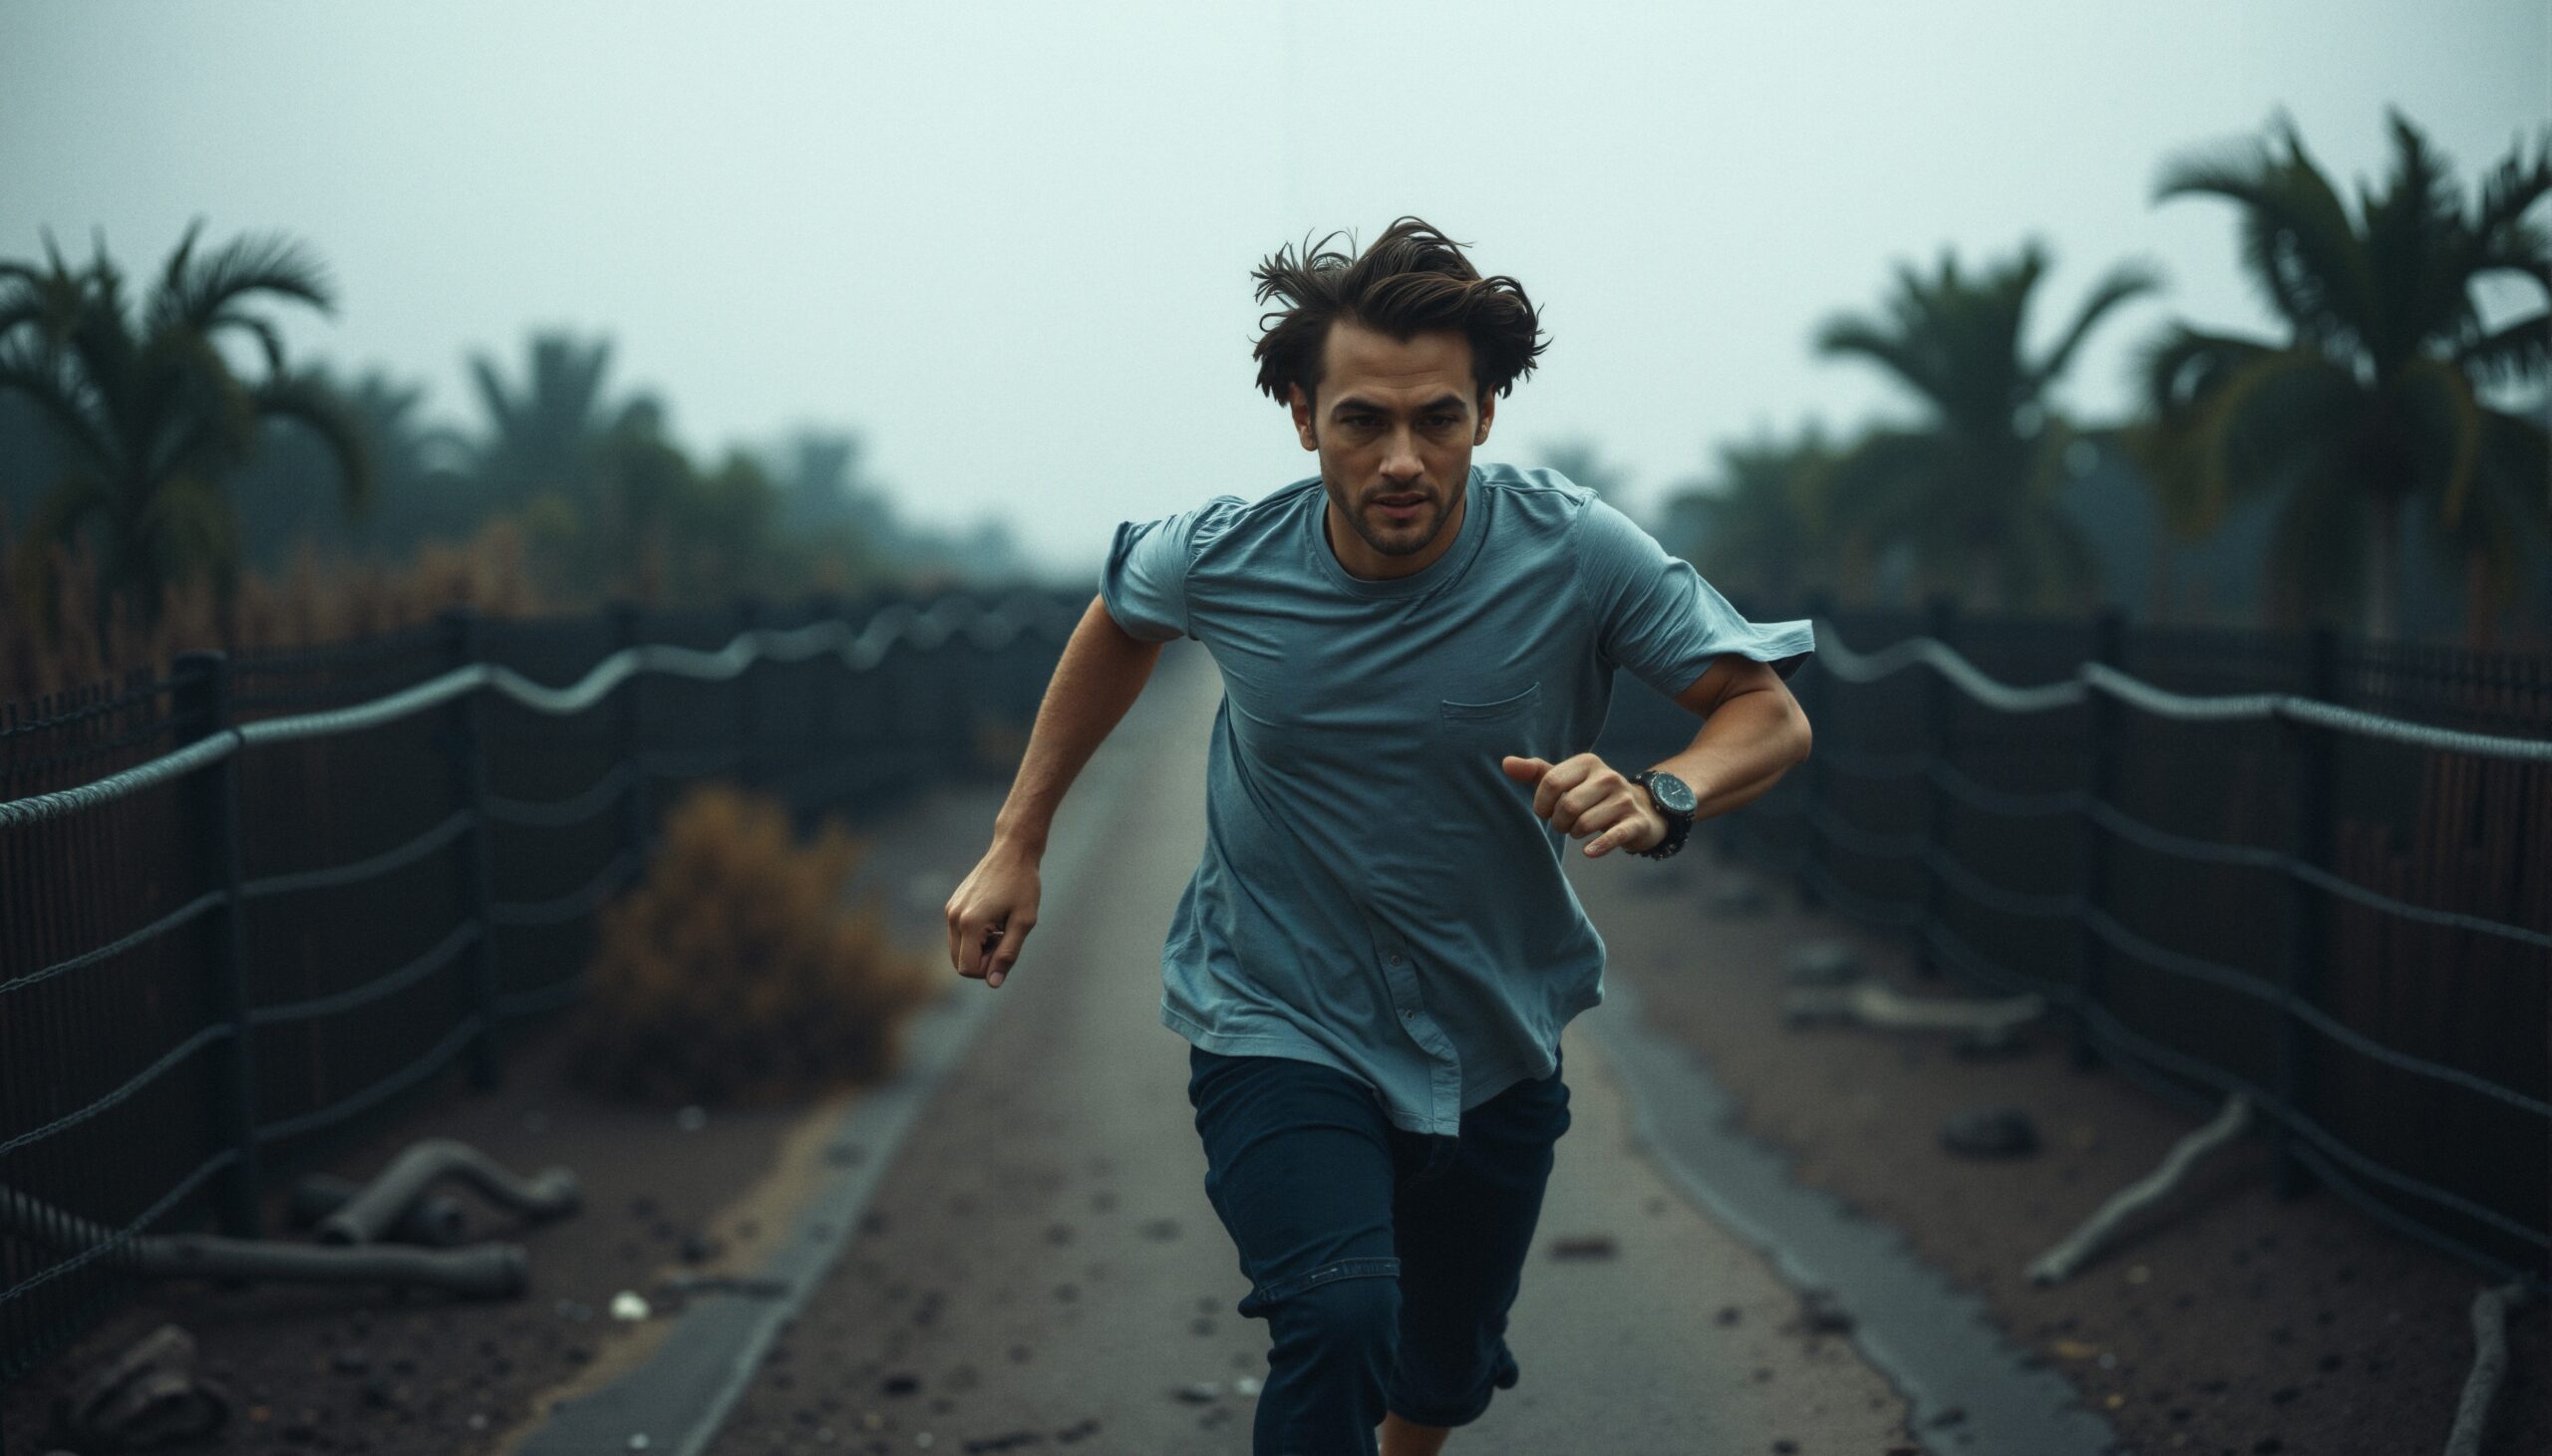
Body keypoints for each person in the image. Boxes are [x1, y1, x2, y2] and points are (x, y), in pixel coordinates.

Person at [944, 216, 1814, 1455]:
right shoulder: (1232, 554)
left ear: (1484, 416)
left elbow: (1765, 713)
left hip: (1495, 1034)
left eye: (1438, 420)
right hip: (1275, 1015)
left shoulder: (1573, 551)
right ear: (1303, 417)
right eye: (1362, 420)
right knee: (1340, 1317)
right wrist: (1017, 839)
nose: (1402, 458)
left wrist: (1664, 791)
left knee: (1436, 1373)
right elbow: (1120, 614)